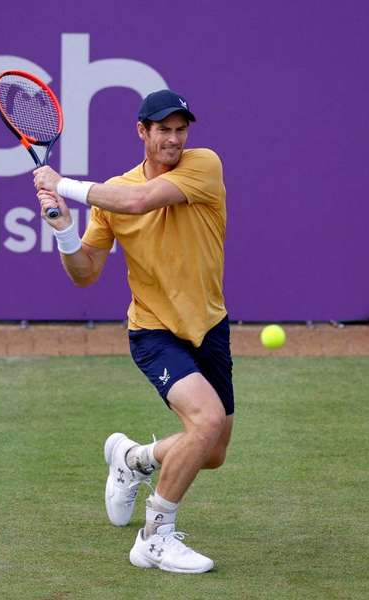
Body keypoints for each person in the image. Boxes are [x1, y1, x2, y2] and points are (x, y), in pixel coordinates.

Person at [33, 89, 233, 574]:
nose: (174, 138)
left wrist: (66, 184)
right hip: (152, 331)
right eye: (163, 129)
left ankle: (134, 458)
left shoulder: (202, 165)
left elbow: (142, 199)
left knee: (213, 452)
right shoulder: (110, 197)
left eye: (180, 129)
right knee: (203, 423)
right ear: (142, 132)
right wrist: (62, 228)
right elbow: (85, 272)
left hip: (208, 325)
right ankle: (155, 537)